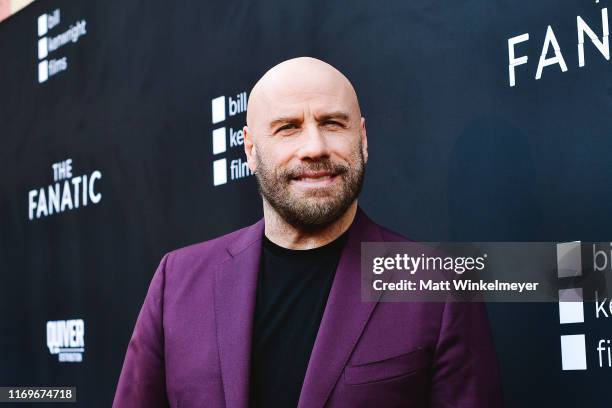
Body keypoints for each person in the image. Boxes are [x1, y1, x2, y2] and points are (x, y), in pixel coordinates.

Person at [113, 57, 503, 407]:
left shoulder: (438, 284)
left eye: (333, 123)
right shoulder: (177, 281)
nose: (314, 147)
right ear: (249, 149)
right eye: (288, 128)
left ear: (363, 140)